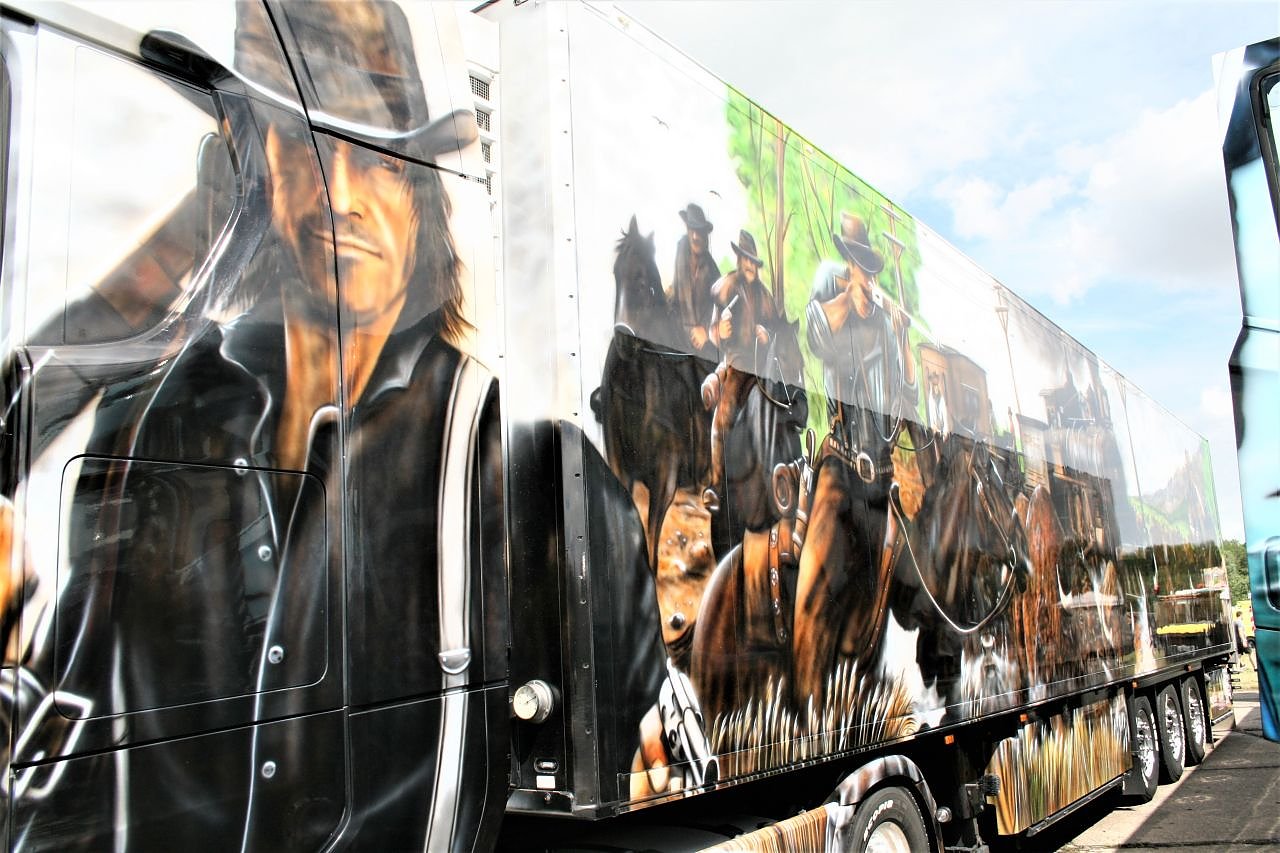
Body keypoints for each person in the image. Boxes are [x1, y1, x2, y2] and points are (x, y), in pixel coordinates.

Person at [791, 212, 917, 707]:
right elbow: (816, 336)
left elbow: (903, 401)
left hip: (880, 483)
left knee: (894, 594)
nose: (867, 275)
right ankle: (804, 703)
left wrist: (902, 339)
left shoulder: (883, 323)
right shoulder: (831, 284)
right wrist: (851, 296)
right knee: (811, 594)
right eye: (859, 264)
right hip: (841, 469)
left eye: (871, 267)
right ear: (848, 262)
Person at [700, 229, 779, 512]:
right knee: (721, 420)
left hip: (760, 369)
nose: (751, 266)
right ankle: (716, 486)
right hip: (735, 365)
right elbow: (712, 331)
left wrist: (767, 335)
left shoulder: (764, 296)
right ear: (739, 259)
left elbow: (776, 328)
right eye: (747, 260)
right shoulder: (727, 288)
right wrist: (719, 331)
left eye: (754, 262)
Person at [671, 203, 720, 360]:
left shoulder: (712, 269)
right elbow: (676, 294)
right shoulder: (680, 251)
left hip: (702, 346)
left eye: (699, 231)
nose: (695, 236)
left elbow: (720, 306)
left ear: (705, 235)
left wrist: (705, 330)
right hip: (678, 339)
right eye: (692, 230)